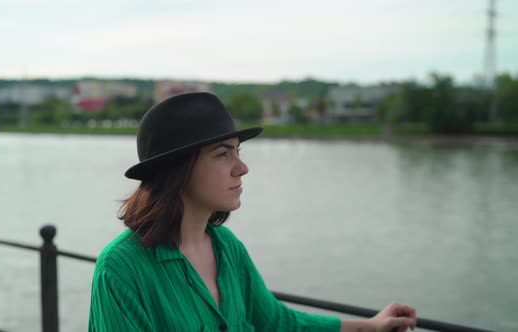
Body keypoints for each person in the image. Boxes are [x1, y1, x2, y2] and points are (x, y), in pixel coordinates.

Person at [88, 92, 417, 332]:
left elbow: (277, 322)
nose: (241, 168)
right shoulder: (121, 269)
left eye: (238, 152)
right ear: (179, 169)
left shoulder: (226, 247)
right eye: (222, 154)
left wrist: (371, 327)